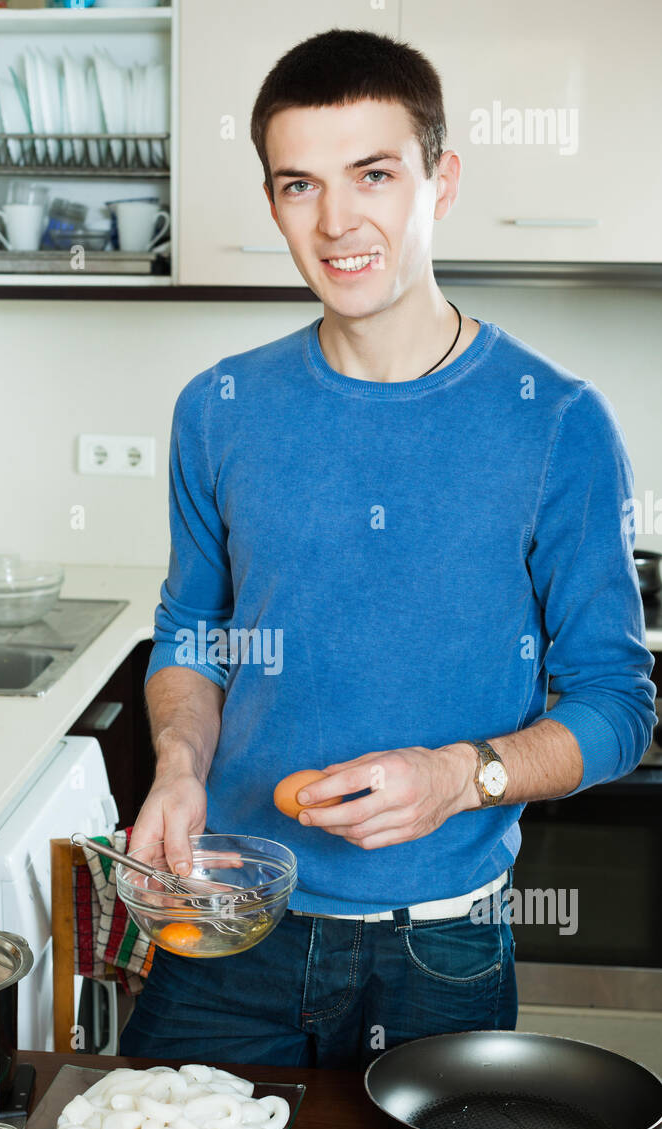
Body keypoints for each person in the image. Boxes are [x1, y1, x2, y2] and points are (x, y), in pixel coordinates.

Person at [119, 28, 655, 1069]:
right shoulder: (220, 409)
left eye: (371, 174)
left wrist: (463, 775)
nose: (335, 222)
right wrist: (177, 766)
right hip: (229, 920)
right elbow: (193, 630)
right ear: (271, 202)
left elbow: (617, 704)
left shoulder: (555, 422)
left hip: (440, 949)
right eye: (296, 185)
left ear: (438, 180)